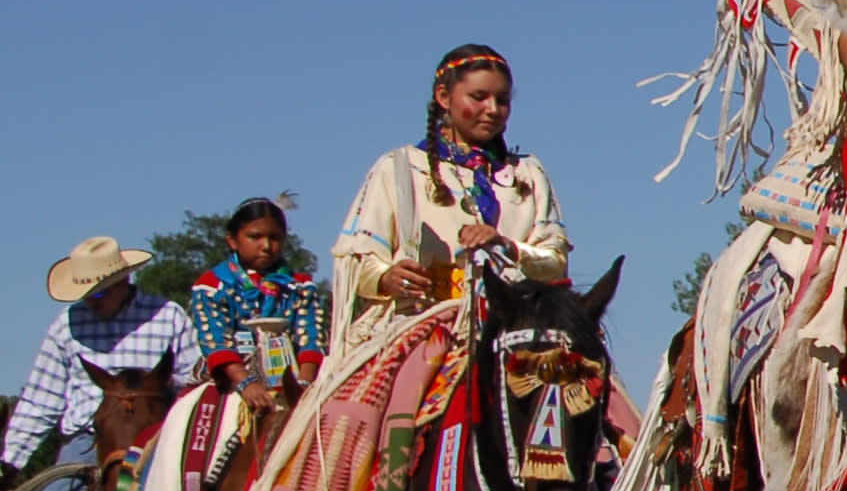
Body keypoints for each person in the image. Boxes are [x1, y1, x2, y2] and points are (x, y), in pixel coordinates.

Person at [327, 43, 571, 351]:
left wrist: (506, 246)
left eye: (503, 100)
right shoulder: (399, 169)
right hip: (422, 328)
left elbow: (556, 263)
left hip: (518, 331)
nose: (493, 110)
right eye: (479, 97)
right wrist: (387, 277)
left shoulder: (528, 173)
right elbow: (357, 265)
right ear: (444, 98)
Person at [6, 237, 206, 491]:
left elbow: (192, 383)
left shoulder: (168, 316)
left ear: (123, 280)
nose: (91, 301)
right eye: (85, 294)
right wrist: (8, 462)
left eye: (99, 292)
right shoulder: (67, 325)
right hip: (87, 440)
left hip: (157, 438)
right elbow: (39, 401)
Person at [187, 197, 327, 410]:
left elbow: (311, 339)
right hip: (229, 380)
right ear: (233, 241)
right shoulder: (213, 285)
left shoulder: (299, 286)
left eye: (275, 237)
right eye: (255, 237)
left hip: (295, 381)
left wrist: (303, 386)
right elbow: (216, 342)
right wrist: (245, 382)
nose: (266, 246)